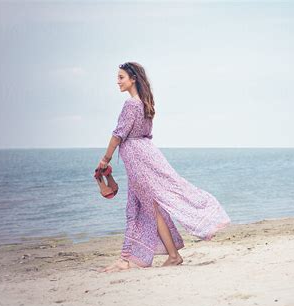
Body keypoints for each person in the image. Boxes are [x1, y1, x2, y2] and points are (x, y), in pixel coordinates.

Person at [98, 62, 231, 273]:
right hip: (146, 154)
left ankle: (146, 257)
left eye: (121, 77)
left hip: (138, 159)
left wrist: (105, 159)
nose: (118, 81)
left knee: (143, 208)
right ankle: (167, 255)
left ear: (133, 79)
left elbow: (119, 134)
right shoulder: (145, 103)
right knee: (146, 206)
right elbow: (145, 134)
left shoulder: (131, 105)